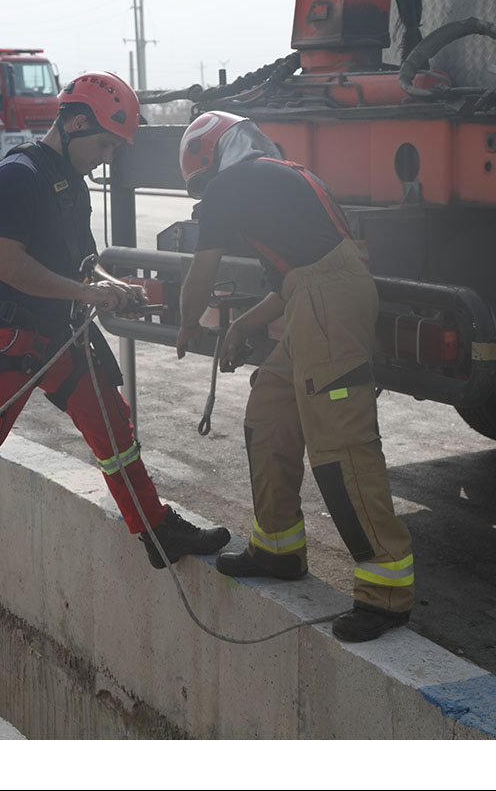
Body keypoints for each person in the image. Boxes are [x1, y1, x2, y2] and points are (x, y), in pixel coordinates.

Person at [0, 72, 230, 636]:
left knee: (115, 431)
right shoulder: (16, 178)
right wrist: (92, 295)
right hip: (12, 341)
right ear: (75, 123)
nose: (107, 156)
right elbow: (7, 265)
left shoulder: (72, 180)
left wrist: (113, 284)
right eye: (106, 144)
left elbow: (81, 261)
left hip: (63, 337)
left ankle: (156, 531)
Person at [174, 111, 413, 643]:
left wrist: (189, 323)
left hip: (327, 302)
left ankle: (386, 590)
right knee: (270, 413)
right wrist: (241, 327)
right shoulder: (280, 177)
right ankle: (277, 547)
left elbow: (203, 269)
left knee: (340, 446)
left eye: (199, 184)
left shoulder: (231, 184)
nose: (203, 195)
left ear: (209, 161)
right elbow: (289, 284)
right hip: (319, 297)